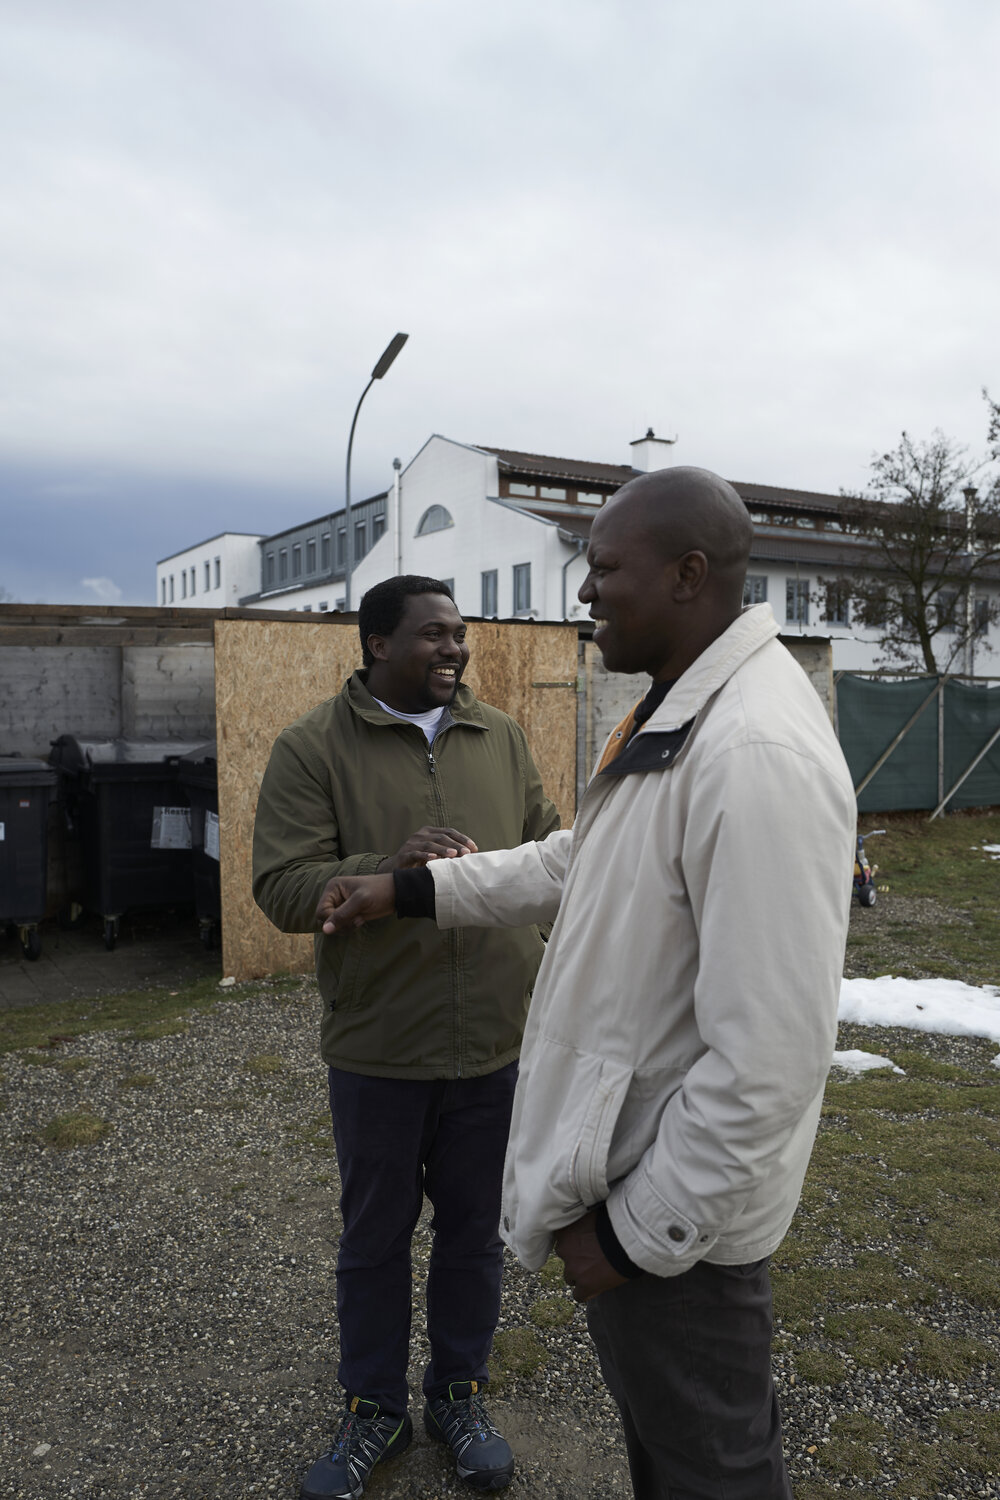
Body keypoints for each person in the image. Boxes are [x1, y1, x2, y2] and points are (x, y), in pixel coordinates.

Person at [318, 469, 857, 1500]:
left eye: (605, 568)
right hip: (644, 1193)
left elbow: (772, 1057)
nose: (584, 591)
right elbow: (580, 861)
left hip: (679, 1237)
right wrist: (411, 890)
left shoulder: (753, 752)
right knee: (675, 1460)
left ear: (687, 575)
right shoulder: (687, 712)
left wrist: (636, 1234)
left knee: (714, 1474)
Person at [252, 575, 559, 1500]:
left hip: (494, 1042)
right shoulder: (313, 746)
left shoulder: (499, 736)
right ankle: (373, 1410)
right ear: (378, 643)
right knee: (375, 1240)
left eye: (458, 633)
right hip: (380, 1047)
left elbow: (548, 857)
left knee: (473, 1235)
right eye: (432, 633)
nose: (453, 648)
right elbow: (283, 888)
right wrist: (389, 868)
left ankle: (460, 1397)